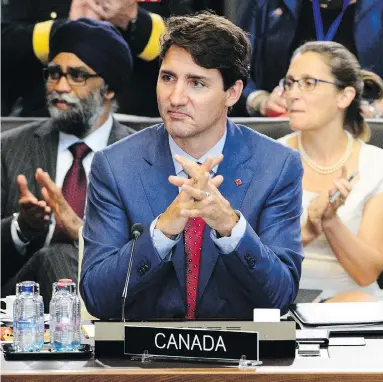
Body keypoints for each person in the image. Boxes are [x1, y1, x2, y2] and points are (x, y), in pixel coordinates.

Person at [80, 12, 304, 321]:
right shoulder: (115, 165)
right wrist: (162, 232)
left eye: (196, 83)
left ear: (233, 93)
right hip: (143, 359)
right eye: (168, 78)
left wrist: (230, 227)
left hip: (243, 361)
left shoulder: (277, 165)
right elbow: (97, 298)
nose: (175, 97)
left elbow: (280, 297)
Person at [1, 18, 136, 310]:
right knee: (56, 255)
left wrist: (82, 233)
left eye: (77, 75)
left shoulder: (139, 155)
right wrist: (21, 228)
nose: (60, 87)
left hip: (115, 300)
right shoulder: (8, 148)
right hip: (20, 309)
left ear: (108, 88)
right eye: (53, 74)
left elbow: (149, 255)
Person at [278, 41, 383, 302]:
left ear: (345, 96)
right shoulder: (267, 158)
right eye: (290, 82)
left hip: (353, 303)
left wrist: (330, 222)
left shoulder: (380, 165)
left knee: (360, 303)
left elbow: (366, 274)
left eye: (309, 83)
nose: (293, 94)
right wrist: (308, 228)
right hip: (279, 302)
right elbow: (253, 261)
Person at [1, 0, 166, 117]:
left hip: (140, 119)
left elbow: (188, 41)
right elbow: (6, 44)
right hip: (49, 119)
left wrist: (134, 19)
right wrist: (64, 28)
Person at [237, 0, 383, 118]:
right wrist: (260, 101)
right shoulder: (266, 4)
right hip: (284, 125)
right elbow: (234, 68)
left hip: (364, 130)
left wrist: (377, 110)